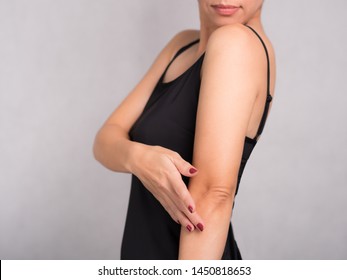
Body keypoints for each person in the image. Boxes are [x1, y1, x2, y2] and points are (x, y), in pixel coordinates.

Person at [93, 0, 276, 260]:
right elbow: (105, 139)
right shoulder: (181, 45)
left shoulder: (236, 43)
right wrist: (140, 158)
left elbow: (215, 194)